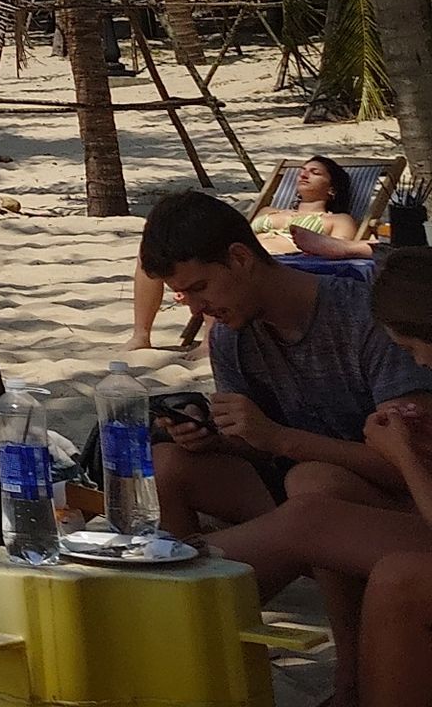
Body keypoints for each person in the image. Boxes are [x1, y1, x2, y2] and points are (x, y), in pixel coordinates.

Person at [190, 245, 432, 702]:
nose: (419, 363)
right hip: (368, 496)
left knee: (390, 571)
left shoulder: (354, 319)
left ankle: (170, 585)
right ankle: (170, 583)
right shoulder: (234, 338)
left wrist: (404, 455)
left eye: (414, 349)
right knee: (312, 490)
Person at [139, 187, 430, 538]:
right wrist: (215, 436)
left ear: (240, 258)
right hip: (291, 488)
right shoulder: (231, 334)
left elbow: (411, 464)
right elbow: (256, 445)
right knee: (167, 464)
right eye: (185, 295)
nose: (196, 308)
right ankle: (182, 568)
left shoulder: (364, 319)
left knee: (314, 482)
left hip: (383, 498)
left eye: (200, 287)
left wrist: (280, 439)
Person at [129, 156, 367, 349]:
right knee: (150, 256)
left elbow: (335, 252)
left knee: (214, 270)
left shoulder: (337, 219)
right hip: (240, 255)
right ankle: (141, 334)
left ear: (332, 188)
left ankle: (209, 342)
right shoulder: (268, 210)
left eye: (315, 172)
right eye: (302, 170)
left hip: (276, 263)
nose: (304, 175)